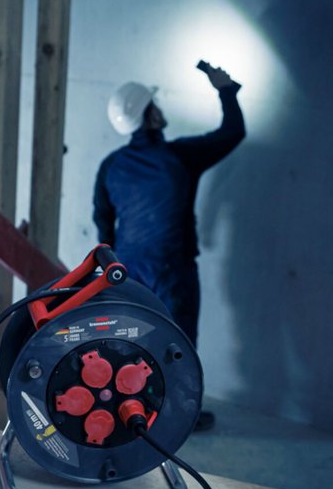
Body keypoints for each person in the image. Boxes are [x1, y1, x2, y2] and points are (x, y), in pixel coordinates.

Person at [92, 63, 245, 430]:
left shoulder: (111, 165)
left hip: (128, 271)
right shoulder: (180, 156)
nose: (160, 109)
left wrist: (112, 269)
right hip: (172, 268)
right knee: (177, 345)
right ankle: (177, 419)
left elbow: (103, 221)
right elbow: (232, 133)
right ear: (150, 115)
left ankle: (126, 413)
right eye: (154, 105)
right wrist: (226, 91)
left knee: (128, 341)